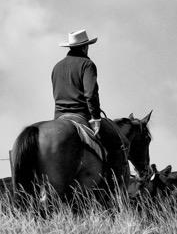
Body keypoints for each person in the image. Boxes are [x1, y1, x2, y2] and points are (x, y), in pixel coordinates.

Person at [52, 29, 127, 187]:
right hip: (82, 115)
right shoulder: (87, 64)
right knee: (118, 142)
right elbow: (90, 93)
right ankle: (113, 186)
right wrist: (96, 118)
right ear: (85, 47)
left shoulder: (57, 67)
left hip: (59, 117)